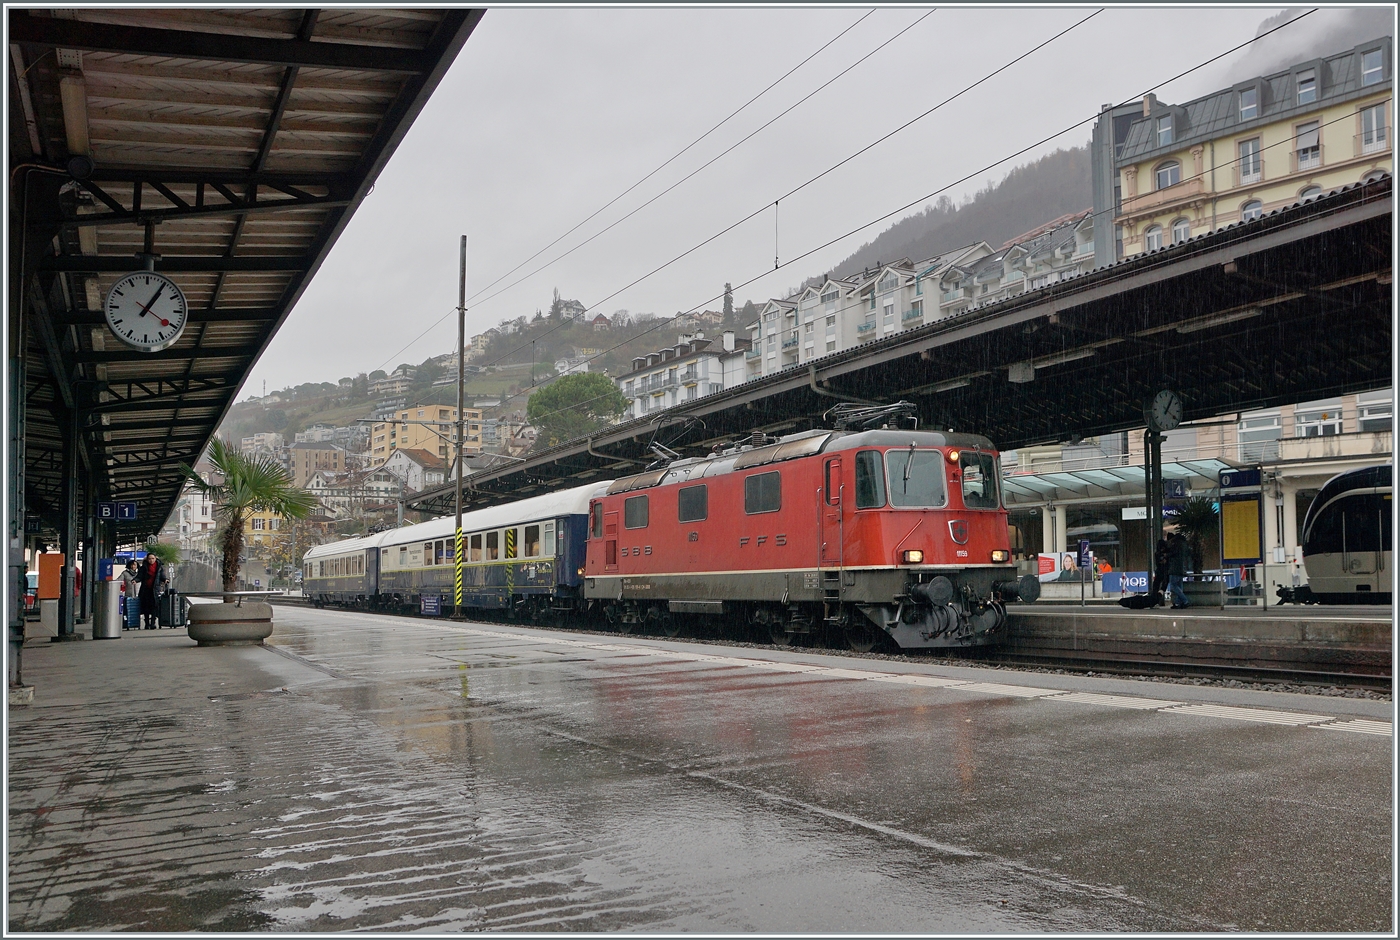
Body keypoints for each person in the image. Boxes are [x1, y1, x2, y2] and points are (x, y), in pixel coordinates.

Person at [134, 553, 167, 629]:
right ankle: (146, 623)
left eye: (152, 558)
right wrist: (135, 580)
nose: (151, 560)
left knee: (154, 606)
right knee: (145, 606)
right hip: (145, 590)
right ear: (147, 559)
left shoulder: (159, 567)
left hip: (155, 589)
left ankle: (153, 623)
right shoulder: (143, 567)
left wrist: (165, 579)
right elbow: (140, 576)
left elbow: (162, 576)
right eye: (149, 559)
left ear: (155, 559)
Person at [1166, 531, 1191, 609]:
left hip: (1175, 568)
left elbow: (1172, 554)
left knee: (1173, 586)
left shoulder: (1176, 544)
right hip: (1182, 568)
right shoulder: (1184, 544)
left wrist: (1166, 555)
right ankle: (1178, 603)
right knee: (1179, 586)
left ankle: (1185, 601)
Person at [118, 559, 139, 628]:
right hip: (128, 595)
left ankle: (136, 623)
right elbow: (119, 580)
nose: (133, 566)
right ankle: (127, 623)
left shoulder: (139, 573)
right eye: (132, 565)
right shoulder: (125, 573)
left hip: (138, 595)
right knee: (128, 610)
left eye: (135, 565)